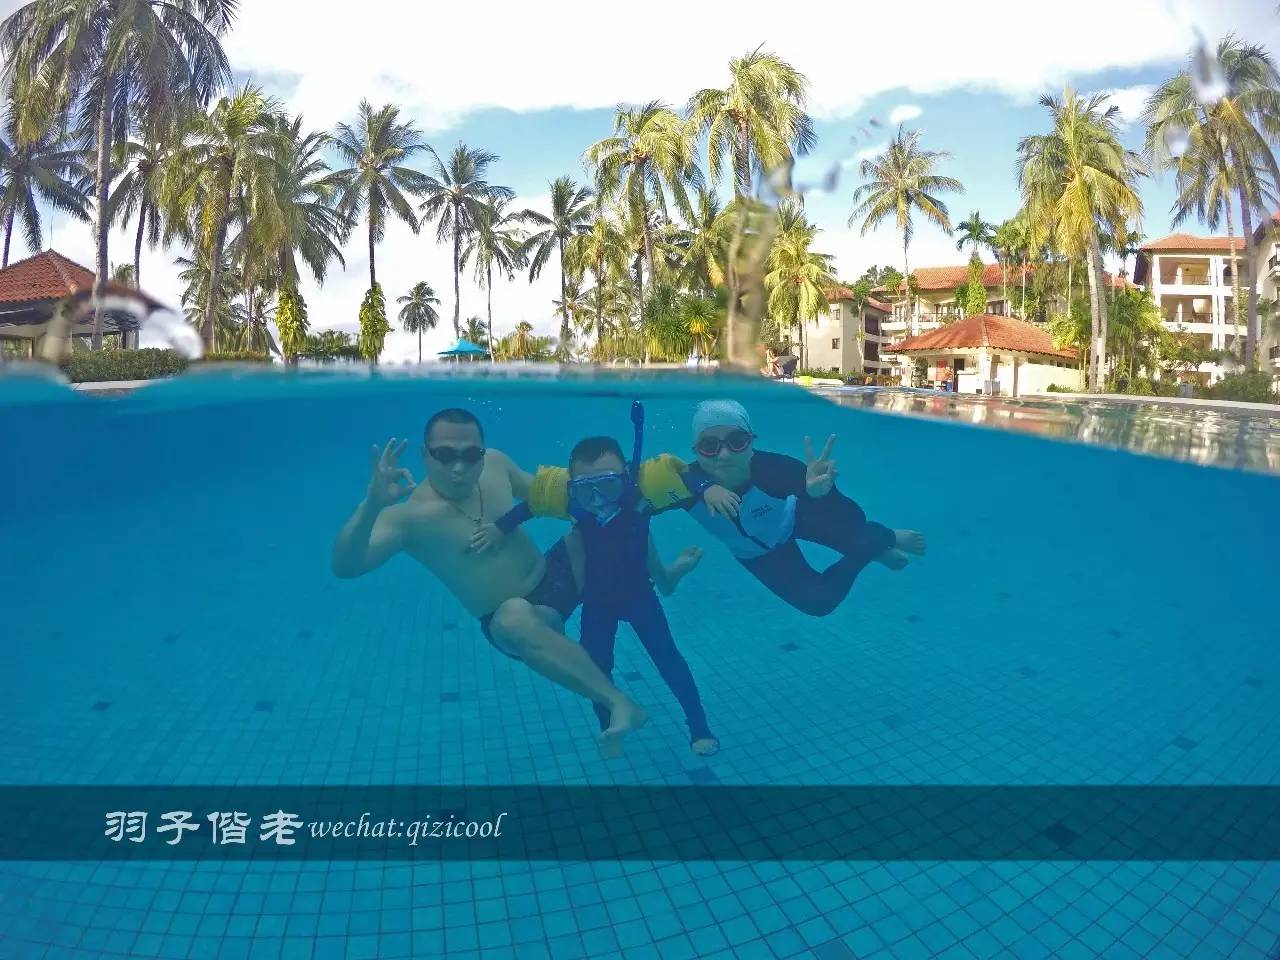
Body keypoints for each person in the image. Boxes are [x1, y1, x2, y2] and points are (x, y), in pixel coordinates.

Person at [331, 408, 647, 752]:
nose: (458, 467)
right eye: (445, 455)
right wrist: (371, 505)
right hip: (518, 617)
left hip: (555, 574)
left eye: (470, 455)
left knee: (592, 529)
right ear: (425, 455)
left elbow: (551, 497)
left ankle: (661, 579)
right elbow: (347, 566)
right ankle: (619, 703)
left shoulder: (495, 465)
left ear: (482, 452)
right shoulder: (409, 518)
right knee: (513, 617)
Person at [473, 404, 719, 759]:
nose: (598, 499)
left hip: (639, 595)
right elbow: (531, 506)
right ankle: (609, 727)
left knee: (668, 658)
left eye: (608, 485)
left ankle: (699, 727)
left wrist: (707, 488)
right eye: (586, 490)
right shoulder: (572, 504)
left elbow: (688, 478)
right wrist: (499, 528)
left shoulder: (640, 495)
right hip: (597, 601)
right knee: (597, 668)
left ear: (626, 477)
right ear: (572, 487)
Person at [682, 399, 926, 616]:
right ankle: (875, 544)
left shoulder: (776, 468)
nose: (724, 455)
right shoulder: (684, 486)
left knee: (853, 530)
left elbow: (853, 519)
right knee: (819, 603)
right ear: (696, 451)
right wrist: (704, 487)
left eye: (737, 442)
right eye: (709, 446)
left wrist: (822, 496)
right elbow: (662, 472)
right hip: (756, 554)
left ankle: (886, 537)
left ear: (751, 442)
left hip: (794, 518)